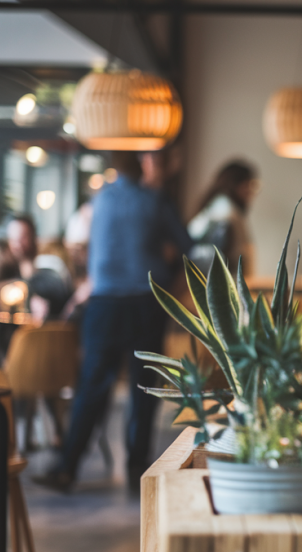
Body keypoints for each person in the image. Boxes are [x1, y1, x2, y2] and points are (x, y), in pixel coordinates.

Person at [35, 151, 193, 493]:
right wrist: (171, 283)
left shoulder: (100, 199)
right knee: (143, 388)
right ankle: (138, 470)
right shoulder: (155, 200)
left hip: (103, 303)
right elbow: (187, 245)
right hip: (144, 301)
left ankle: (67, 467)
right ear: (143, 168)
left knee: (91, 385)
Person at [186, 160, 257, 273]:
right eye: (250, 185)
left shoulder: (215, 206)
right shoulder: (227, 211)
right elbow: (239, 254)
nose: (252, 192)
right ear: (237, 185)